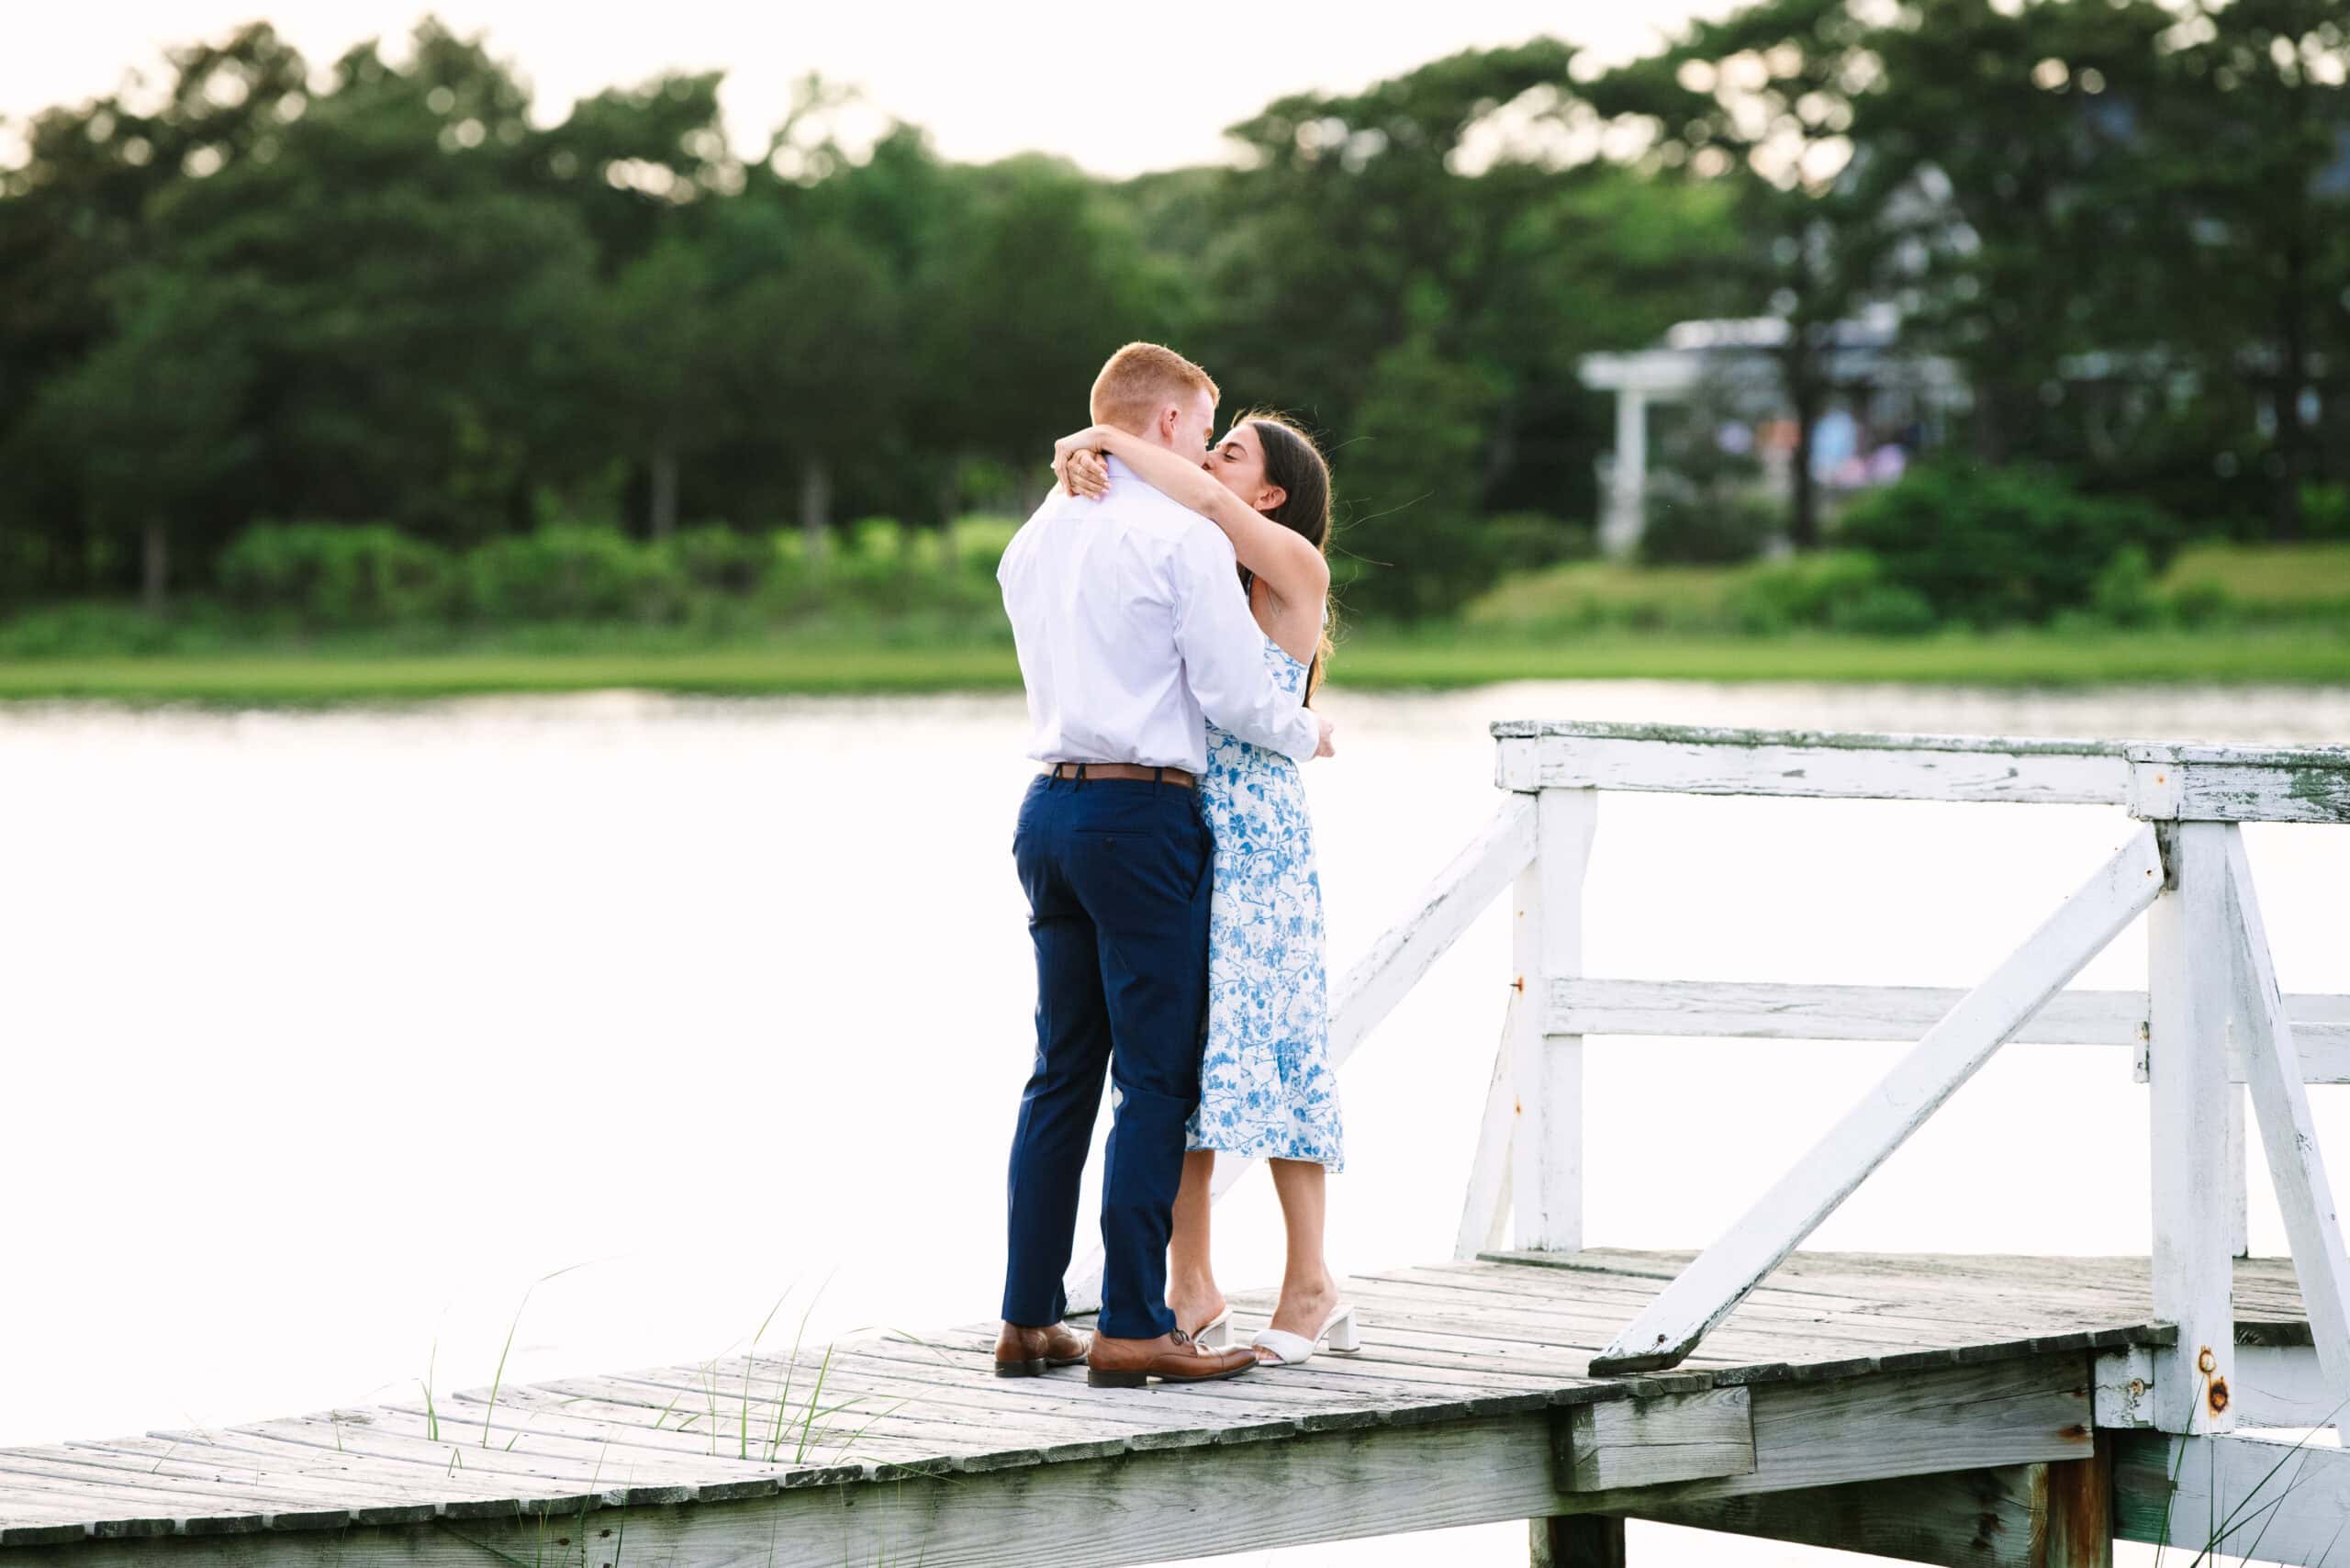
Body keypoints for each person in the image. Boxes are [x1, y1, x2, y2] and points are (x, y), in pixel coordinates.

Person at [994, 342, 1337, 1390]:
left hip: (1047, 806)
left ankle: (1028, 1318)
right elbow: (1236, 698)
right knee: (1154, 1081)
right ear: (1166, 426)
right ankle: (1137, 1322)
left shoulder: (1036, 534)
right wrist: (1305, 731)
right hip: (1140, 817)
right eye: (1202, 424)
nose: (1203, 443)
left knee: (1059, 1073)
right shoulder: (1177, 541)